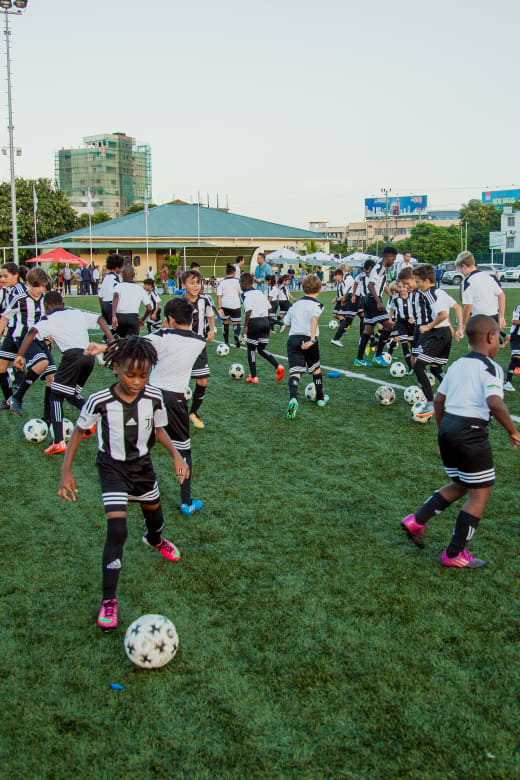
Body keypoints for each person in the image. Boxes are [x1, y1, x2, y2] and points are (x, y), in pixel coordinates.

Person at [58, 336, 188, 630]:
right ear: (115, 367)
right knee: (117, 529)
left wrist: (177, 457)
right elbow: (79, 433)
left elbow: (160, 431)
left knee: (154, 514)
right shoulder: (99, 400)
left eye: (143, 375)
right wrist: (65, 472)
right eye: (130, 374)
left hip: (143, 467)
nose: (137, 381)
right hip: (112, 468)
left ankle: (154, 539)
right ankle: (109, 599)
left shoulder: (154, 397)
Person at [401, 315, 520, 568]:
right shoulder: (491, 367)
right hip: (471, 433)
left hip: (448, 429)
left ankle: (416, 521)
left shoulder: (457, 365)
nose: (500, 341)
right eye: (499, 335)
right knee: (481, 492)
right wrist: (512, 430)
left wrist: (444, 430)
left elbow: (440, 401)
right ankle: (455, 553)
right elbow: (495, 402)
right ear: (490, 337)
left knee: (461, 483)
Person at [14, 291, 113, 454]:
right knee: (70, 393)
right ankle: (95, 414)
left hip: (72, 357)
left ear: (46, 307)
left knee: (55, 395)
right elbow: (99, 318)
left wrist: (19, 355)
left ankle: (58, 441)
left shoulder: (48, 319)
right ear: (63, 304)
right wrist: (111, 340)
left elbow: (31, 332)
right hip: (89, 358)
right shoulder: (77, 313)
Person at [0, 268, 56, 420]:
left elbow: (51, 319)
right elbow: (4, 318)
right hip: (22, 338)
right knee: (41, 363)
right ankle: (15, 398)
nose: (38, 289)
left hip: (40, 340)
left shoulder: (46, 299)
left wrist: (50, 335)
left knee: (52, 377)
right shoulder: (19, 299)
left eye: (41, 285)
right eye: (35, 285)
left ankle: (47, 418)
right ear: (27, 284)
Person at [411, 264, 463, 419]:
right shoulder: (441, 291)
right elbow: (458, 308)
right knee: (435, 368)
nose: (418, 285)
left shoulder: (431, 294)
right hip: (444, 333)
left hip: (438, 334)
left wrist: (428, 327)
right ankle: (456, 393)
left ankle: (429, 401)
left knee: (418, 365)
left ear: (427, 281)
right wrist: (459, 328)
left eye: (418, 281)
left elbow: (441, 315)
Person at [284, 273, 327, 420]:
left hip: (293, 338)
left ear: (303, 289)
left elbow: (286, 321)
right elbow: (314, 318)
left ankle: (293, 399)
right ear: (319, 289)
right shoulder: (318, 305)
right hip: (309, 339)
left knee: (295, 372)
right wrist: (312, 339)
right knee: (316, 369)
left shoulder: (295, 305)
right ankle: (320, 398)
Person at [181, 269, 214, 429]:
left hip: (200, 346)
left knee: (202, 381)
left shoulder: (205, 300)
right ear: (183, 285)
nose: (195, 286)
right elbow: (168, 323)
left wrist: (212, 330)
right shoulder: (179, 303)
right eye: (191, 283)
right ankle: (174, 414)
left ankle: (193, 412)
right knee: (179, 382)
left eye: (197, 283)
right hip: (182, 347)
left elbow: (210, 315)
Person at [354, 247, 397, 367]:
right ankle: (377, 355)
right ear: (388, 257)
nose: (393, 262)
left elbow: (378, 285)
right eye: (393, 259)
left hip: (369, 299)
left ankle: (359, 358)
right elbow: (371, 285)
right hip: (373, 299)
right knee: (388, 326)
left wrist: (389, 295)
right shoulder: (380, 268)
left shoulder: (379, 267)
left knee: (368, 330)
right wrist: (378, 302)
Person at [240, 273, 284, 384]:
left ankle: (254, 377)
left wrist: (245, 327)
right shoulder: (259, 292)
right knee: (261, 349)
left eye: (240, 283)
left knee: (251, 350)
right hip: (265, 321)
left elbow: (248, 311)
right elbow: (269, 308)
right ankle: (278, 366)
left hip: (254, 322)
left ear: (244, 283)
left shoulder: (244, 294)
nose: (240, 285)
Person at [456, 251, 506, 334]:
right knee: (490, 346)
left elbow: (468, 306)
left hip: (480, 320)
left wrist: (463, 326)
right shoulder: (487, 276)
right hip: (494, 318)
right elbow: (501, 295)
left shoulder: (467, 281)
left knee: (477, 346)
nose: (460, 272)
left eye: (460, 269)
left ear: (464, 266)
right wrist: (501, 317)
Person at [0, 262, 28, 408]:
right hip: (11, 333)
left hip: (22, 334)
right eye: (1, 276)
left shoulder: (21, 291)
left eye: (6, 276)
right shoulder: (9, 290)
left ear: (16, 275)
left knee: (41, 370)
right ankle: (10, 400)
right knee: (1, 368)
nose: (3, 279)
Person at [112, 264, 152, 337]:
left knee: (121, 341)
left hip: (120, 317)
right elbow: (149, 308)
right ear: (134, 275)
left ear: (122, 275)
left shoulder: (118, 286)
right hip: (133, 318)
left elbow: (116, 297)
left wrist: (113, 316)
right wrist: (142, 319)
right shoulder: (140, 289)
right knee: (133, 343)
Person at [387, 280, 415, 372]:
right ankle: (410, 367)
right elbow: (391, 308)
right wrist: (390, 319)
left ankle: (415, 366)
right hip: (401, 323)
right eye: (400, 287)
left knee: (414, 346)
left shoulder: (413, 296)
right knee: (404, 345)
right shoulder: (395, 298)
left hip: (412, 324)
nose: (402, 289)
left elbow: (419, 308)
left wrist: (414, 318)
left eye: (403, 287)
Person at [217, 264, 242, 347]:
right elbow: (242, 293)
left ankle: (226, 342)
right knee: (236, 323)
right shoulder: (238, 281)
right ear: (234, 272)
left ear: (226, 272)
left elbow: (219, 296)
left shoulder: (222, 282)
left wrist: (220, 307)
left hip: (224, 305)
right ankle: (236, 335)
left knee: (225, 323)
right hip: (235, 304)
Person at [98, 253, 123, 338]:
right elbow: (118, 293)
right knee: (116, 329)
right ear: (117, 267)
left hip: (104, 305)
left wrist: (103, 307)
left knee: (110, 328)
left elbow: (100, 296)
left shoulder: (106, 277)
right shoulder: (117, 277)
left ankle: (107, 339)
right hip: (111, 305)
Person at [331, 268, 355, 346]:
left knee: (341, 316)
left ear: (339, 275)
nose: (334, 277)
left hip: (343, 301)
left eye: (335, 276)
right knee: (335, 315)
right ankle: (345, 326)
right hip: (340, 300)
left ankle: (344, 328)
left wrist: (337, 299)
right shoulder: (339, 282)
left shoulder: (345, 281)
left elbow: (345, 294)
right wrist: (336, 298)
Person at [504, 304, 520, 391]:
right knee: (516, 357)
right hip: (516, 336)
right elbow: (514, 321)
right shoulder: (519, 307)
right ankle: (508, 382)